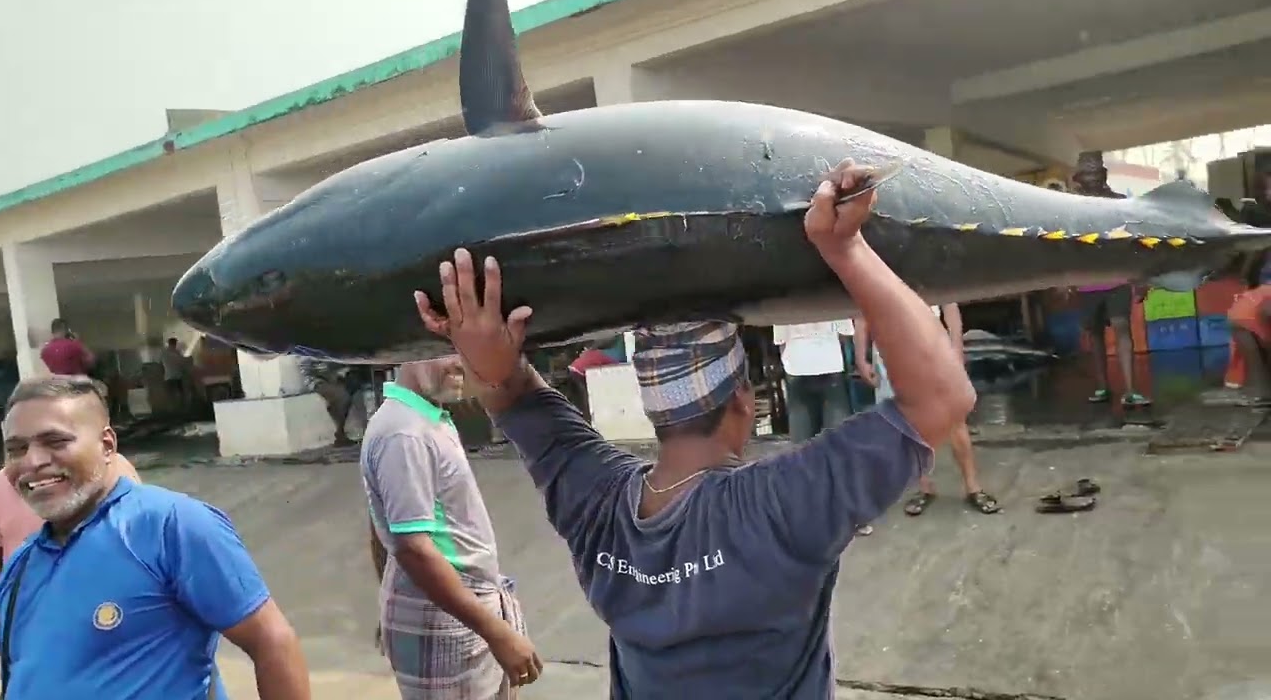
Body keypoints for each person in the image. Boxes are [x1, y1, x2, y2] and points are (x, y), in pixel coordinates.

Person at [414, 160, 975, 697]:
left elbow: (508, 390)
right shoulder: (777, 509)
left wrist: (484, 349)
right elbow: (945, 394)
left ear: (654, 408)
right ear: (742, 401)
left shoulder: (596, 501)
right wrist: (845, 246)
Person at [0, 374, 310, 699]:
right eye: (16, 449)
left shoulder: (170, 526)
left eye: (56, 442)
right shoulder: (21, 565)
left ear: (107, 445)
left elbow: (271, 640)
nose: (32, 461)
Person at [361, 358, 538, 699]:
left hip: (456, 609)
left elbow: (383, 526)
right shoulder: (405, 432)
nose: (461, 363)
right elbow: (413, 549)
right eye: (445, 351)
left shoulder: (423, 418)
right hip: (446, 617)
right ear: (408, 351)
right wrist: (497, 633)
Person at [854, 303, 1000, 516]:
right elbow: (862, 315)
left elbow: (950, 306)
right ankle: (924, 487)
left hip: (932, 350)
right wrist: (861, 358)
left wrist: (957, 348)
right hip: (890, 355)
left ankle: (973, 487)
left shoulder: (929, 271)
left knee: (954, 420)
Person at [771, 319, 873, 535]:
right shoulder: (829, 287)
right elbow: (844, 334)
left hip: (805, 365)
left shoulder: (782, 291)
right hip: (818, 364)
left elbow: (780, 339)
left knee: (808, 450)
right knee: (831, 448)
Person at [1068, 151, 1150, 408]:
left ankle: (1130, 389)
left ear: (1104, 175)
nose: (1092, 179)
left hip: (1118, 278)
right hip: (1087, 281)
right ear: (1079, 179)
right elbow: (1065, 245)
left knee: (1122, 327)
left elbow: (1135, 242)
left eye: (1096, 173)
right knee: (1094, 335)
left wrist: (1141, 277)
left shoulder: (1121, 203)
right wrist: (1065, 278)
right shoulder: (1069, 208)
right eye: (1087, 174)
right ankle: (1103, 386)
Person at [0, 452, 142, 583]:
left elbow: (140, 537)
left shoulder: (113, 467)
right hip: (27, 598)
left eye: (54, 440)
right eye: (19, 446)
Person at [1227, 284, 1271, 407]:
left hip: (1254, 319)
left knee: (1262, 357)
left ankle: (1264, 394)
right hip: (1242, 319)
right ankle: (1262, 395)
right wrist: (1266, 338)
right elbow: (1265, 311)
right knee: (1254, 358)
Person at [297, 359, 354, 446]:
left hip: (332, 378)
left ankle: (340, 433)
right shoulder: (308, 353)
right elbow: (307, 370)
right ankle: (340, 433)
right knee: (343, 397)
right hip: (317, 381)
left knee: (347, 394)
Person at [160, 337, 191, 410]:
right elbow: (182, 363)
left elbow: (161, 364)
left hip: (168, 377)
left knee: (171, 395)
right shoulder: (177, 352)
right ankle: (182, 408)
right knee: (181, 394)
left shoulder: (164, 353)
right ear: (175, 343)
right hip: (177, 376)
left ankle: (172, 409)